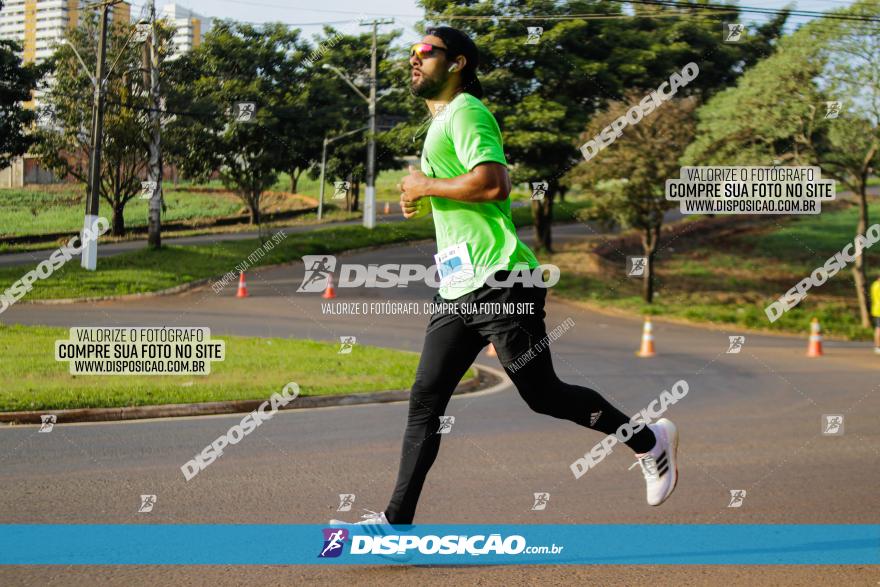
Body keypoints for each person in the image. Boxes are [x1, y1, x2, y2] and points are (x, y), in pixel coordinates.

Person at [331, 26, 679, 527]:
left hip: (501, 280)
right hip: (456, 288)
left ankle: (649, 440)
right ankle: (395, 521)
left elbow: (494, 184)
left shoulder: (469, 112)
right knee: (425, 401)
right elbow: (461, 188)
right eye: (412, 52)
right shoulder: (441, 123)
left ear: (457, 64)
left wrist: (425, 182)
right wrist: (420, 193)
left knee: (543, 395)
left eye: (426, 52)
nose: (414, 59)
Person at [872, 274, 880, 354]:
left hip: (876, 309)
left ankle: (877, 346)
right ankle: (877, 346)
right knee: (878, 329)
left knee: (878, 328)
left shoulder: (874, 284)